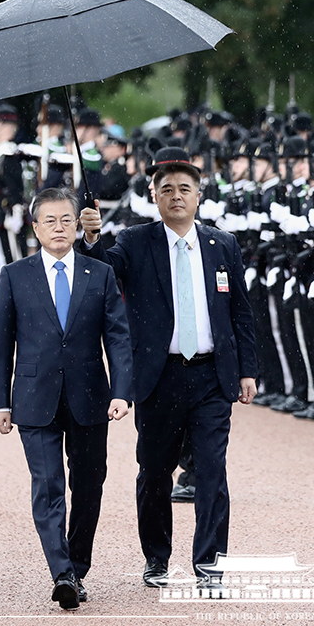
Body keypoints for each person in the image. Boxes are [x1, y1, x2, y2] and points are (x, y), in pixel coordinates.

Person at [79, 146, 257, 587]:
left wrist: (247, 370)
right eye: (166, 189)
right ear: (154, 196)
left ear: (199, 196)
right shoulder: (136, 243)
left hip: (212, 376)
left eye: (185, 189)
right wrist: (90, 239)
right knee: (154, 472)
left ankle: (210, 562)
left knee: (212, 470)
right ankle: (157, 557)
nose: (176, 196)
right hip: (159, 377)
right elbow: (101, 273)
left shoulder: (223, 244)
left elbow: (241, 312)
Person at [0, 187, 132, 608]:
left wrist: (122, 391)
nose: (58, 228)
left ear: (77, 223)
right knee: (48, 486)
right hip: (34, 397)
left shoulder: (99, 273)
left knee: (89, 487)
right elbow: (1, 344)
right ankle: (62, 572)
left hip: (91, 396)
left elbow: (118, 338)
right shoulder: (15, 275)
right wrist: (1, 400)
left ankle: (78, 563)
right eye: (48, 220)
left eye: (65, 220)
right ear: (35, 228)